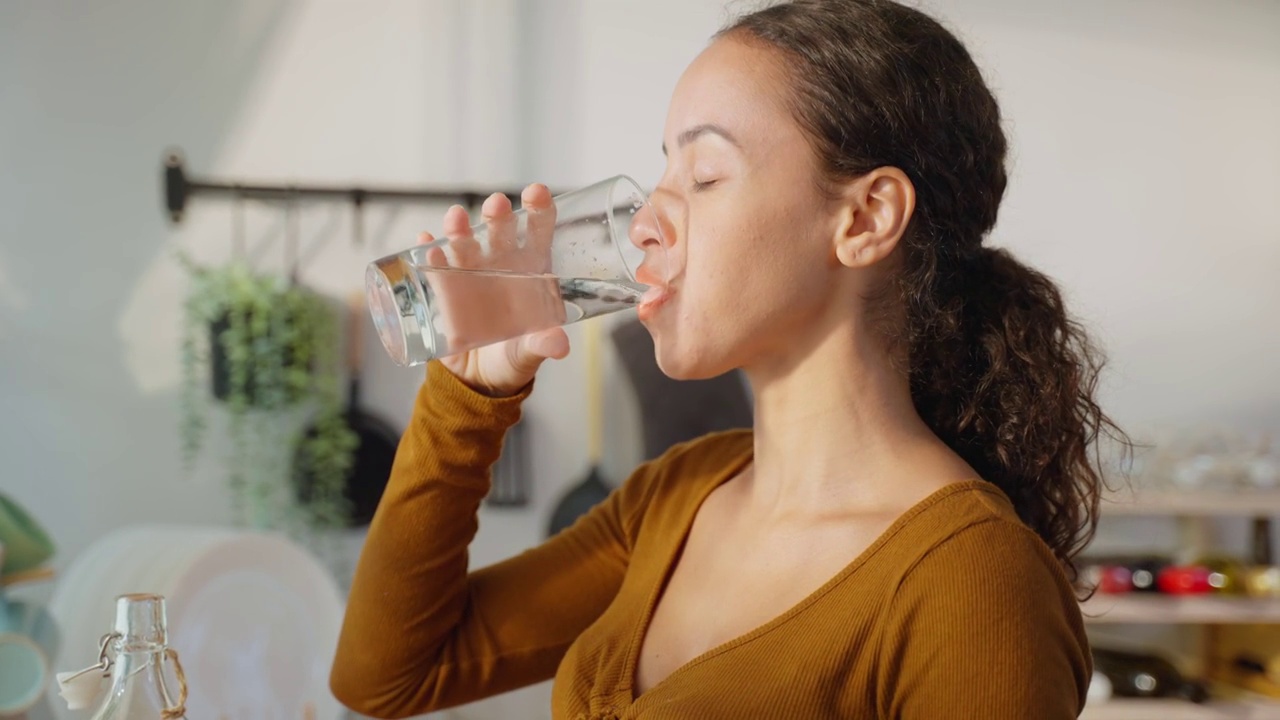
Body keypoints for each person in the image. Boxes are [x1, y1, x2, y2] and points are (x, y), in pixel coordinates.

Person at [330, 0, 1128, 717]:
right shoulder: (677, 497)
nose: (646, 222)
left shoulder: (973, 583)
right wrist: (470, 394)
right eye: (662, 172)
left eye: (706, 175)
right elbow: (386, 675)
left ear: (865, 218)